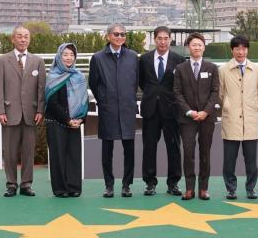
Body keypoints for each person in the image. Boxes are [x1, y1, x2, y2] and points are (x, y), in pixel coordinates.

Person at [89, 23, 140, 198]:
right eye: (116, 34)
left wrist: (129, 99)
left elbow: (136, 81)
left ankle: (127, 185)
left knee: (129, 149)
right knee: (107, 149)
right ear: (108, 36)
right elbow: (93, 83)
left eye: (123, 34)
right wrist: (103, 99)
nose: (120, 37)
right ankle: (108, 185)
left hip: (127, 108)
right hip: (108, 109)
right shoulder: (98, 58)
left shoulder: (133, 57)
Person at [0, 25, 45, 197]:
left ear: (29, 39)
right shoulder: (1, 60)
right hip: (9, 113)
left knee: (29, 151)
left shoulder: (38, 61)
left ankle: (26, 184)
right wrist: (0, 110)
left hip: (31, 113)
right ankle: (11, 184)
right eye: (19, 36)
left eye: (26, 37)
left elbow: (41, 88)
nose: (23, 39)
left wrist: (40, 109)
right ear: (12, 39)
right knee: (9, 151)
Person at [139, 26, 186, 196]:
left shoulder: (179, 59)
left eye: (166, 38)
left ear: (170, 40)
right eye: (159, 38)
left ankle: (173, 183)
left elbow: (180, 85)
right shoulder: (144, 59)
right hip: (150, 109)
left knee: (173, 147)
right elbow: (142, 82)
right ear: (154, 40)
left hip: (171, 109)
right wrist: (154, 95)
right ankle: (150, 183)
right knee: (149, 147)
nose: (163, 41)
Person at [173, 32, 220, 201]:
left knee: (205, 152)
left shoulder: (212, 68)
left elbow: (216, 92)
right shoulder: (180, 69)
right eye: (194, 45)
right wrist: (189, 111)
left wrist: (205, 112)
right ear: (188, 47)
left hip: (207, 118)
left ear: (204, 47)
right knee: (188, 152)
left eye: (200, 45)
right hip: (187, 119)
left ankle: (204, 188)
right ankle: (189, 188)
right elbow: (177, 93)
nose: (197, 48)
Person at [218, 36, 258, 200]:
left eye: (244, 48)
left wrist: (251, 107)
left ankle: (251, 188)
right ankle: (231, 188)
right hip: (231, 120)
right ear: (232, 50)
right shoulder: (223, 70)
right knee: (229, 159)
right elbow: (221, 94)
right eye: (237, 48)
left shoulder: (257, 70)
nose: (240, 52)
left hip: (250, 119)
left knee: (251, 160)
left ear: (247, 50)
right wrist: (229, 105)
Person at [44, 43, 88, 198]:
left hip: (75, 123)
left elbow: (84, 100)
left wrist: (80, 119)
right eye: (65, 54)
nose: (69, 58)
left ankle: (74, 187)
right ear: (59, 56)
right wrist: (67, 119)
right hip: (56, 121)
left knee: (74, 156)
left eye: (72, 55)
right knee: (58, 156)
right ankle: (60, 189)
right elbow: (52, 103)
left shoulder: (79, 76)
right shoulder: (53, 76)